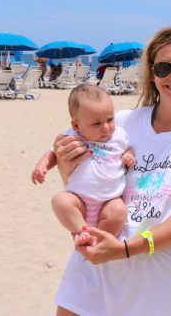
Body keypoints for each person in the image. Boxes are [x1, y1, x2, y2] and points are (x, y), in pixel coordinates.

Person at [51, 27, 171, 316]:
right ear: (152, 73)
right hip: (92, 278)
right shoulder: (119, 123)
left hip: (162, 291)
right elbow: (84, 186)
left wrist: (126, 249)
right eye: (165, 67)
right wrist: (65, 166)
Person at [31, 84, 137, 245]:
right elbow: (53, 152)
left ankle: (98, 241)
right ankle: (83, 231)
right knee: (60, 201)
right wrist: (42, 165)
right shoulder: (72, 136)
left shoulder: (118, 136)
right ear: (76, 125)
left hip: (109, 200)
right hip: (79, 200)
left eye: (110, 119)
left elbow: (128, 148)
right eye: (96, 124)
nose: (106, 128)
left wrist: (129, 155)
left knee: (119, 211)